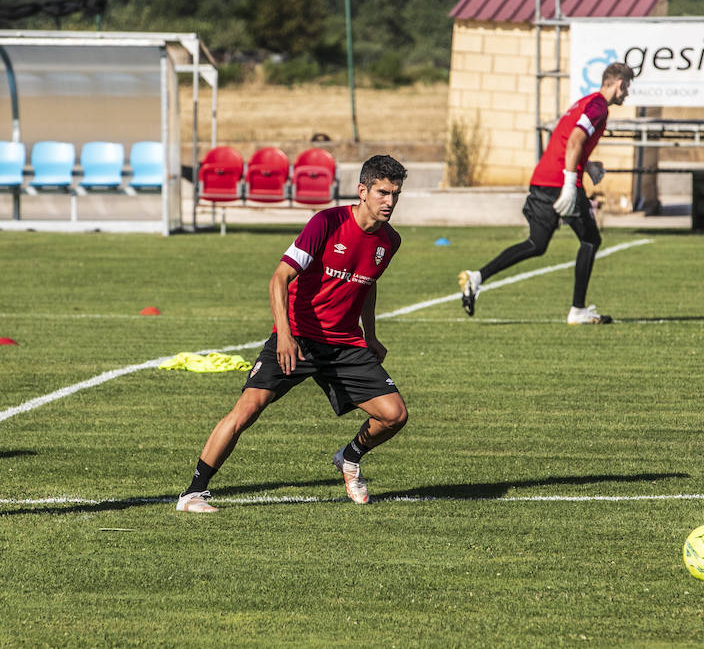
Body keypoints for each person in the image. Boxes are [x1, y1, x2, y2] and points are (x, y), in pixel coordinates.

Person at [177, 154, 409, 513]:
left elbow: (366, 284)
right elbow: (279, 278)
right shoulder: (326, 222)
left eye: (395, 194)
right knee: (248, 410)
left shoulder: (389, 241)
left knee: (394, 415)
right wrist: (284, 336)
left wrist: (371, 335)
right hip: (297, 336)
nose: (389, 202)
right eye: (382, 193)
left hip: (344, 343)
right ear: (361, 191)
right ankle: (193, 492)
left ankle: (349, 458)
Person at [458, 62, 634, 324]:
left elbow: (567, 141)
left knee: (536, 244)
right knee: (590, 240)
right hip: (559, 182)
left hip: (543, 179)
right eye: (628, 87)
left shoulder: (585, 102)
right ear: (619, 84)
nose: (628, 93)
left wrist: (587, 165)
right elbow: (574, 140)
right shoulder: (597, 106)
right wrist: (570, 182)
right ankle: (578, 310)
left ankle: (477, 277)